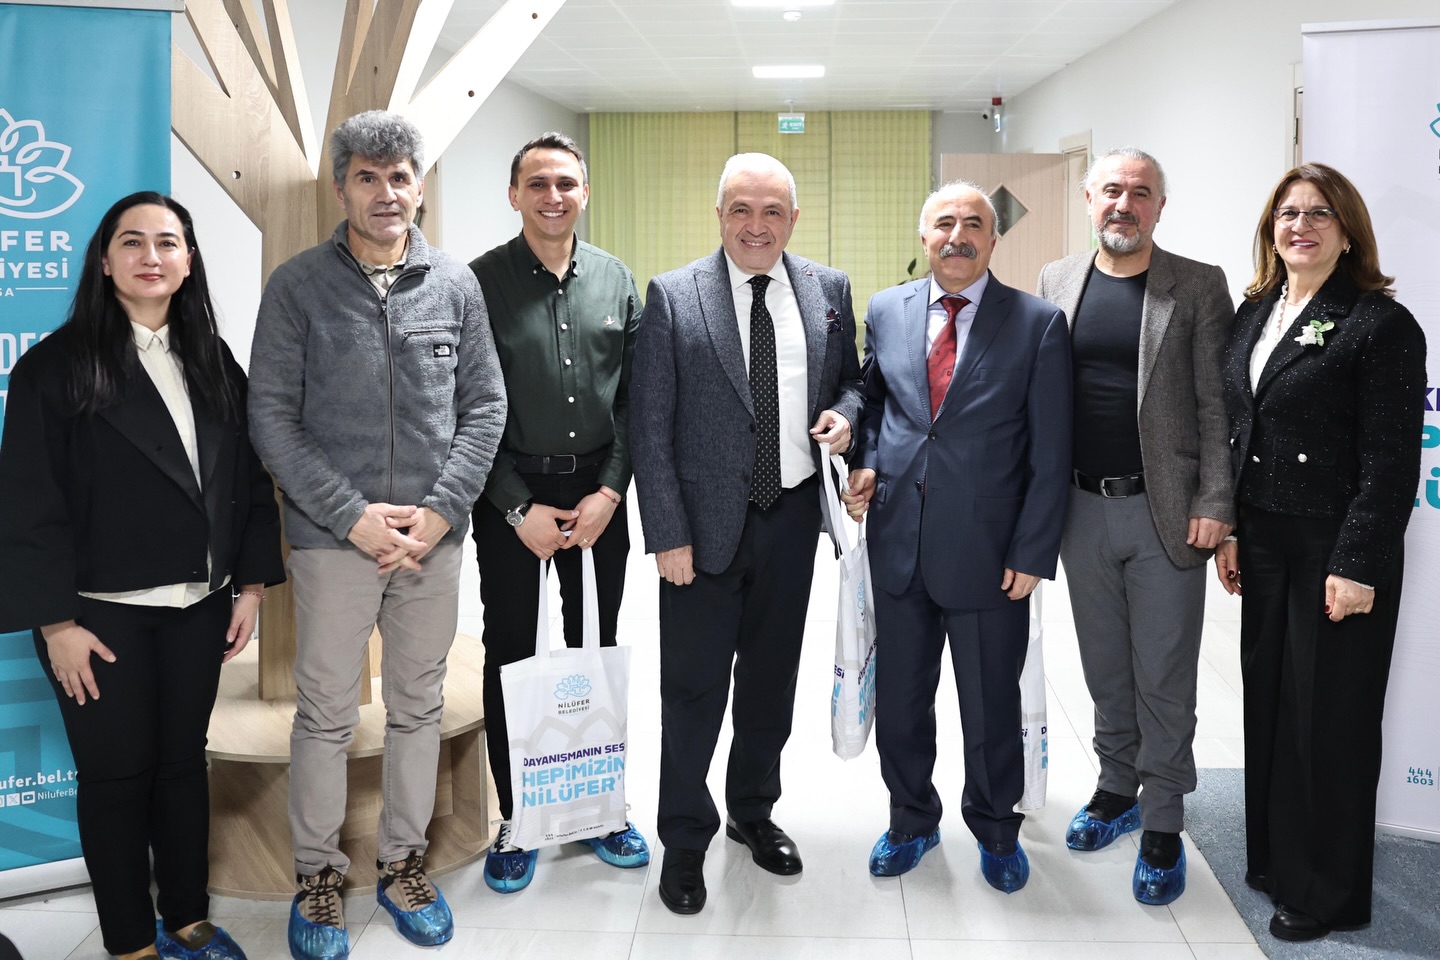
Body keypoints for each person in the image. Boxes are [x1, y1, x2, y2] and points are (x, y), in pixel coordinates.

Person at [248, 111, 506, 960]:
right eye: (368, 177)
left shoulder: (456, 285)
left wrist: (439, 512)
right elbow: (272, 418)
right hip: (336, 543)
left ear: (418, 187)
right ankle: (317, 876)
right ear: (341, 189)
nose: (386, 193)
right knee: (325, 712)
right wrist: (351, 515)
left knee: (416, 706)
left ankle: (402, 863)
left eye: (399, 177)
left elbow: (485, 407)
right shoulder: (297, 287)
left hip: (433, 540)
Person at [0, 192, 285, 960]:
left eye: (168, 242)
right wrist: (57, 625)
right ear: (105, 259)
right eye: (132, 242)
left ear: (189, 261)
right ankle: (130, 941)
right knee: (117, 780)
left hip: (200, 606)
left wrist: (250, 586)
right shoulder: (53, 368)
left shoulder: (211, 357)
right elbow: (27, 505)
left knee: (182, 767)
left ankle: (187, 916)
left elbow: (249, 482)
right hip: (99, 619)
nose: (150, 256)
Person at [631, 153, 863, 915]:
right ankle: (684, 838)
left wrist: (846, 417)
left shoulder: (827, 289)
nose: (755, 226)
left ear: (793, 219)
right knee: (692, 692)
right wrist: (667, 533)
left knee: (770, 684)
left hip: (791, 520)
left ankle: (753, 813)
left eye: (771, 211)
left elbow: (853, 381)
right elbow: (650, 426)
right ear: (720, 215)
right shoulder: (674, 295)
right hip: (700, 535)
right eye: (741, 209)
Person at [841, 180, 1071, 893]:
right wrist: (866, 459)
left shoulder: (1037, 323)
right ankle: (911, 819)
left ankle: (996, 828)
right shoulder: (887, 309)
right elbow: (875, 402)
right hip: (900, 543)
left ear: (993, 240)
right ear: (924, 237)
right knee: (902, 704)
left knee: (991, 705)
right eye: (945, 223)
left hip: (989, 552)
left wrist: (1032, 550)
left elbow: (1052, 451)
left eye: (974, 224)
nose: (958, 236)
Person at [1215, 163, 1424, 943]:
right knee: (1271, 704)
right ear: (1271, 230)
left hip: (1335, 546)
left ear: (1348, 232)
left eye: (1319, 214)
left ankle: (1327, 892)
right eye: (1288, 214)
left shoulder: (1378, 324)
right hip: (1265, 540)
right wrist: (1233, 531)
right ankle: (1278, 861)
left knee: (1328, 719)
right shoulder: (1257, 311)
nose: (1300, 226)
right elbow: (1243, 428)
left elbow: (1390, 460)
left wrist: (1358, 564)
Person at [1036, 148, 1234, 905]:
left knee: (1164, 671)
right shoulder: (1058, 279)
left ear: (1159, 206)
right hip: (1080, 509)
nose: (1125, 203)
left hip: (1167, 512)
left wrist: (1216, 500)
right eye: (1112, 190)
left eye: (1141, 192)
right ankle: (1117, 787)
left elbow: (1217, 404)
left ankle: (1163, 819)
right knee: (1104, 666)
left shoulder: (1197, 285)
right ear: (1089, 200)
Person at [467, 132, 648, 892]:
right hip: (510, 495)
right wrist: (516, 508)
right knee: (512, 653)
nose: (553, 196)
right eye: (537, 183)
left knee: (593, 651)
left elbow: (638, 398)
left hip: (599, 495)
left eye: (566, 183)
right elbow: (463, 407)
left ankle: (600, 807)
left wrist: (610, 492)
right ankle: (518, 816)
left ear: (584, 192)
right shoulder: (477, 283)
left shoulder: (616, 279)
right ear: (514, 195)